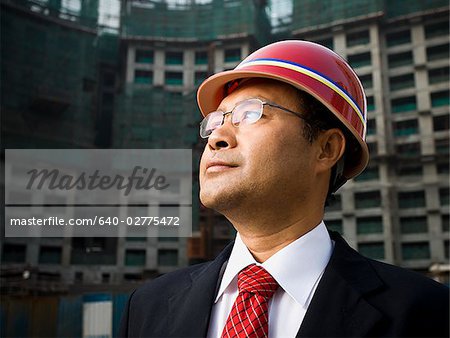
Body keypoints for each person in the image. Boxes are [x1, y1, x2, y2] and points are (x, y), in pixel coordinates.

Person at [119, 40, 449, 338]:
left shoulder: (427, 314)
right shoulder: (147, 308)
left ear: (326, 149)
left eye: (250, 114)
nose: (218, 137)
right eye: (216, 122)